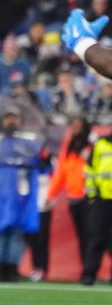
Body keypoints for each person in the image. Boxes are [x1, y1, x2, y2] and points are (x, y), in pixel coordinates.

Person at [0, 106, 46, 282]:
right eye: (8, 118)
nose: (11, 121)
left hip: (20, 196)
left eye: (14, 118)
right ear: (2, 121)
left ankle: (11, 269)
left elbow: (43, 165)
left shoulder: (29, 143)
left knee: (16, 233)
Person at [46, 117, 91, 280]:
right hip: (74, 197)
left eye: (79, 126)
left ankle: (90, 269)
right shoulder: (69, 148)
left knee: (96, 235)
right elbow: (61, 174)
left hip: (92, 196)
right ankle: (87, 270)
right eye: (74, 125)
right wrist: (51, 194)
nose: (76, 129)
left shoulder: (91, 146)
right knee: (83, 236)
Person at [81, 128, 112, 285]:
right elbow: (89, 170)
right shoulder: (100, 143)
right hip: (102, 199)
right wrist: (92, 195)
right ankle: (89, 274)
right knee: (97, 237)